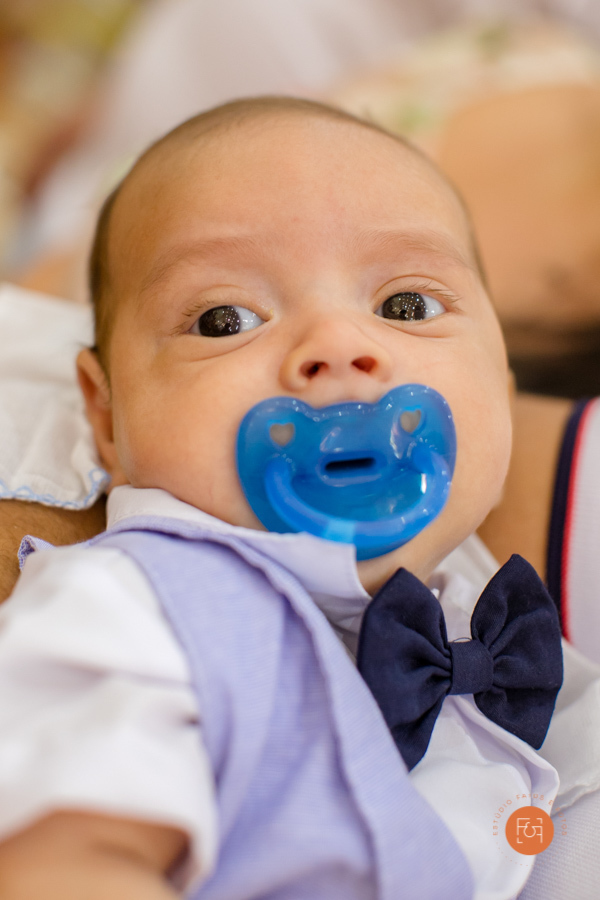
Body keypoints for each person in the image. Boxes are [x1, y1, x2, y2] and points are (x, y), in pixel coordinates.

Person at [0, 96, 578, 899]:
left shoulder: (519, 651)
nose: (337, 347)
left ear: (503, 386)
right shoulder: (131, 614)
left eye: (406, 306)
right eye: (225, 319)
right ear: (106, 417)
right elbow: (60, 869)